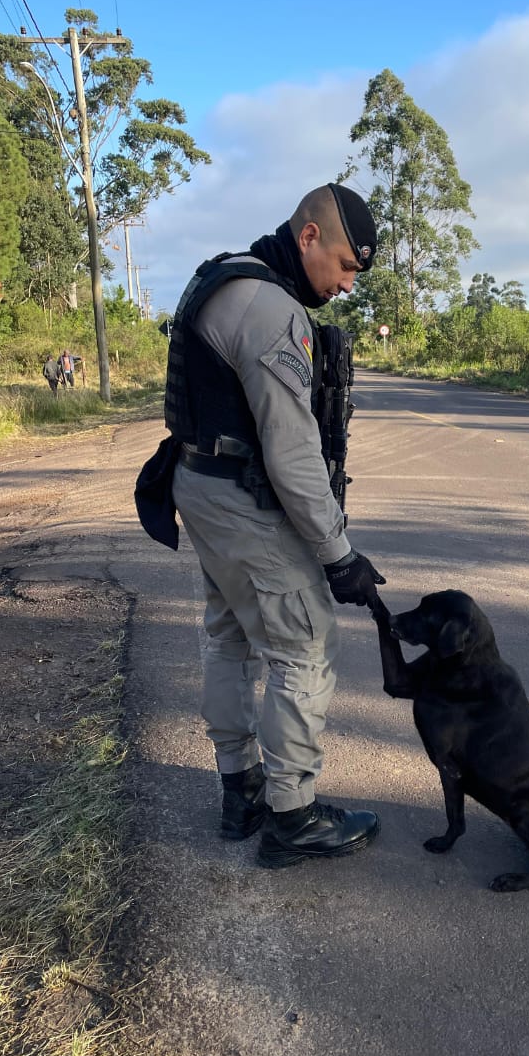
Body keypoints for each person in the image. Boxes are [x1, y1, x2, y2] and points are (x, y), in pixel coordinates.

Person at [166, 183, 387, 870]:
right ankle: (292, 815)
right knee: (305, 642)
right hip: (242, 497)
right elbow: (292, 455)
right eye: (346, 266)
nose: (347, 285)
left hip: (200, 483)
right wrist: (337, 554)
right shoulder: (271, 309)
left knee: (231, 634)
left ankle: (241, 791)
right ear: (309, 236)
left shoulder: (222, 276)